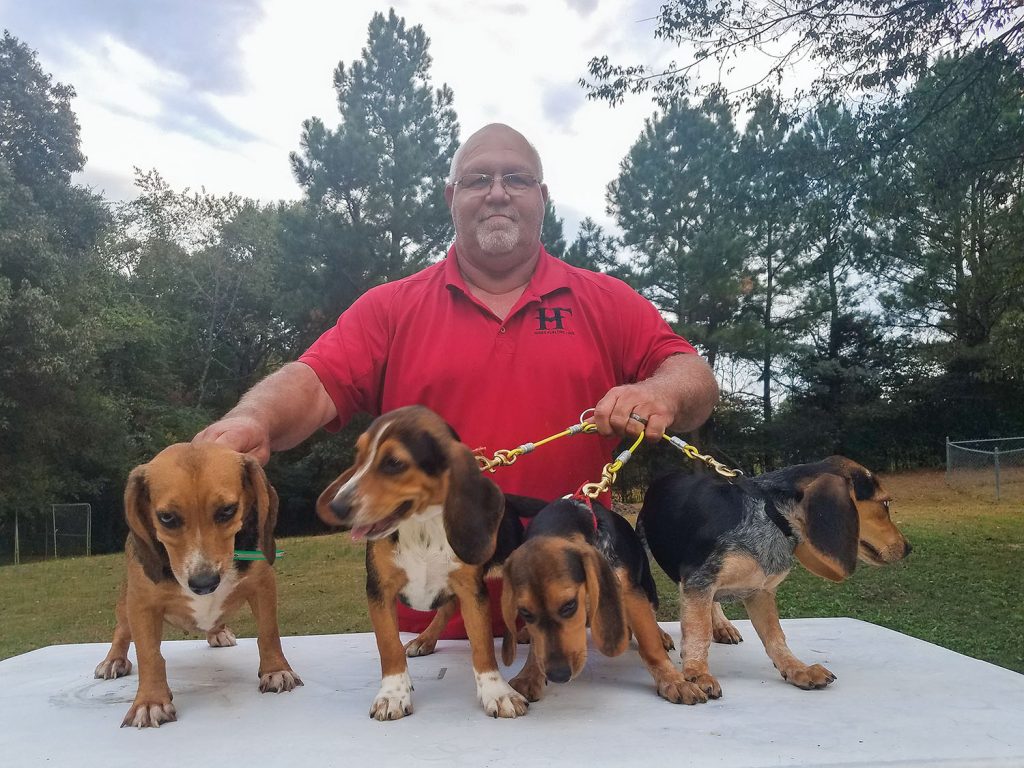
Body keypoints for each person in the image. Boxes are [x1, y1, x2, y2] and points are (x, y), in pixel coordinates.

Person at [194, 123, 719, 638]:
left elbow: (691, 374)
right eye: (477, 180)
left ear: (542, 196)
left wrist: (660, 393)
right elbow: (313, 383)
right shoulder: (390, 308)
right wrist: (252, 418)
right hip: (430, 642)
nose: (496, 193)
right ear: (451, 197)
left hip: (568, 630)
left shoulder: (606, 301)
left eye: (516, 178)